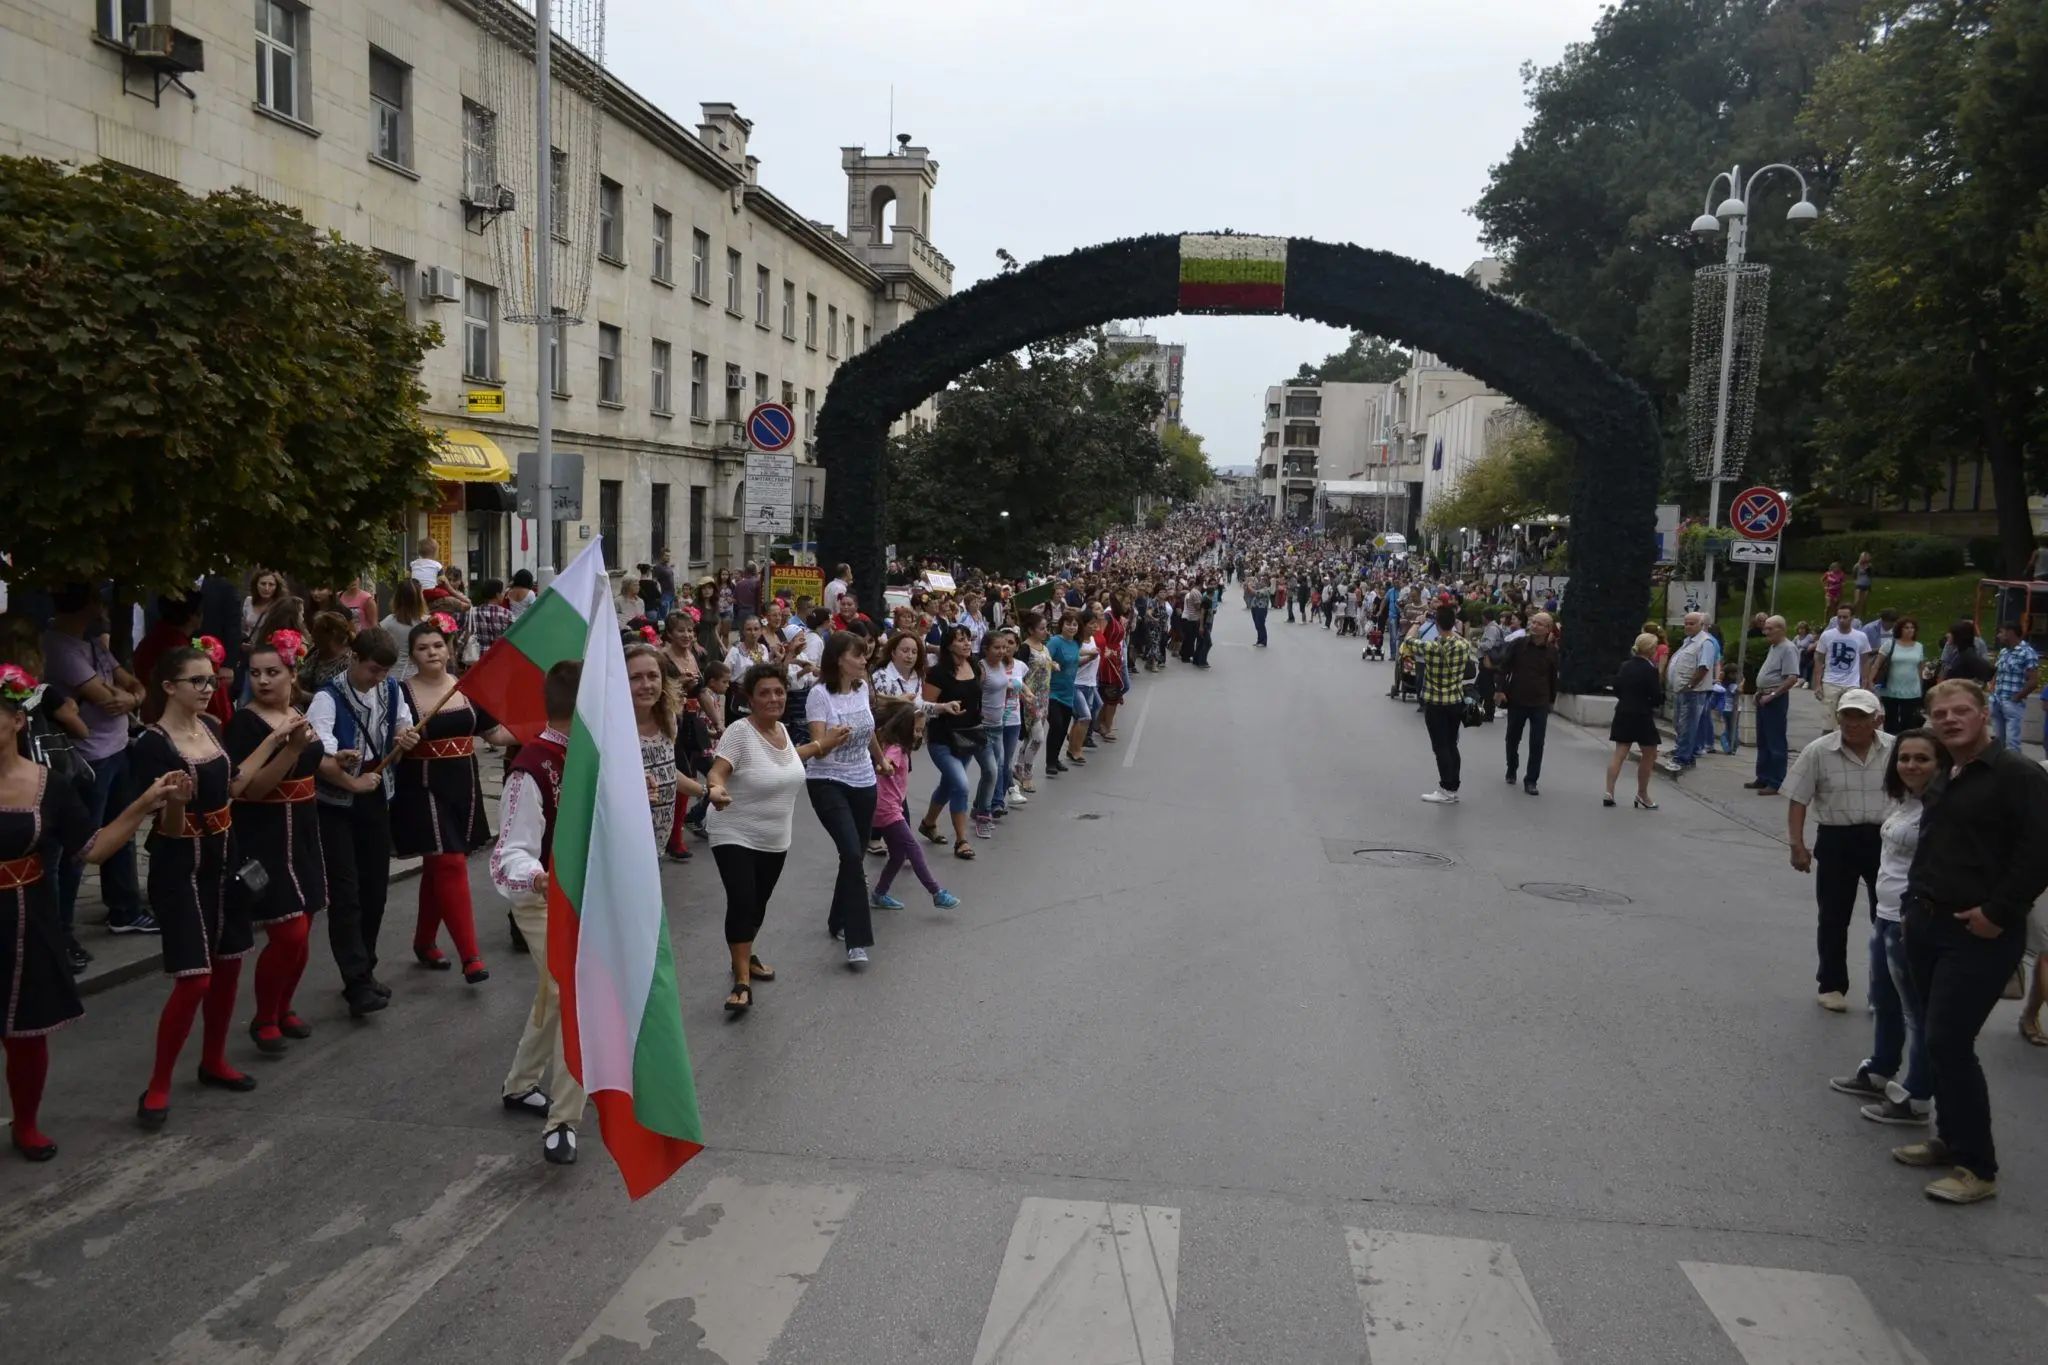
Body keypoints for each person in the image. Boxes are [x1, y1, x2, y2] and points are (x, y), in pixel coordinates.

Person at [0, 665, 176, 1160]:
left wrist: (142, 804)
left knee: (26, 1034)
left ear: (18, 720)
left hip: (26, 921)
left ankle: (26, 1124)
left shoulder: (49, 785)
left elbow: (93, 848)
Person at [1892, 679, 2048, 1203]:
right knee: (1937, 1038)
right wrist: (1912, 905)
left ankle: (1978, 1168)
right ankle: (1951, 1138)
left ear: (1984, 714)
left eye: (1961, 711)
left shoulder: (2018, 775)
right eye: (1941, 714)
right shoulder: (1947, 772)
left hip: (1978, 933)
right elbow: (1933, 844)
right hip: (1927, 924)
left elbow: (2039, 853)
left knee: (1949, 1042)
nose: (1950, 720)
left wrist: (1999, 913)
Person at [130, 646, 272, 1129]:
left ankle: (213, 1061)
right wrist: (177, 803)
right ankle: (158, 1083)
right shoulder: (152, 744)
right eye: (197, 681)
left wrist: (282, 742)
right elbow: (165, 828)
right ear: (168, 686)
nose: (209, 688)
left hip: (225, 858)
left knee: (229, 966)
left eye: (211, 680)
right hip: (180, 867)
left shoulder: (211, 727)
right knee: (195, 979)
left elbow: (234, 786)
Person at [707, 664, 852, 1011]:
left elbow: (785, 759)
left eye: (779, 692)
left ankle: (745, 953)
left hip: (774, 837)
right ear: (750, 698)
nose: (773, 698)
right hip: (733, 830)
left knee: (758, 903)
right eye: (764, 693)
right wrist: (715, 788)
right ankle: (742, 979)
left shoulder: (782, 731)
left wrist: (822, 744)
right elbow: (717, 770)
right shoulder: (740, 733)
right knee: (743, 900)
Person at [490, 661, 584, 1164]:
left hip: (586, 898)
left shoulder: (594, 756)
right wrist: (539, 877)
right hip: (544, 900)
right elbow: (509, 855)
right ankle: (564, 1119)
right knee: (576, 994)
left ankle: (521, 1083)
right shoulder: (532, 767)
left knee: (556, 991)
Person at [1828, 729, 1946, 1126]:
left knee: (1917, 1011)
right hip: (1886, 914)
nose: (1911, 765)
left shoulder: (1942, 808)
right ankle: (1880, 1070)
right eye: (1904, 758)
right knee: (1884, 998)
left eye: (1922, 758)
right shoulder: (1907, 800)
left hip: (1912, 921)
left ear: (1940, 764)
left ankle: (1916, 1097)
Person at [391, 619, 510, 985]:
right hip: (421, 787)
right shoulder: (400, 693)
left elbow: (496, 735)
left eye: (437, 645)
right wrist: (400, 740)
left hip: (464, 785)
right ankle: (470, 956)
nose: (432, 652)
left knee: (438, 866)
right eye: (423, 648)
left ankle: (425, 941)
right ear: (412, 655)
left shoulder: (467, 688)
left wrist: (544, 726)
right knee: (451, 863)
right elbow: (390, 743)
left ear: (449, 648)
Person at [308, 629, 420, 1018]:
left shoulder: (391, 690)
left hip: (376, 795)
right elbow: (318, 757)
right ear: (354, 658)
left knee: (375, 890)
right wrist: (350, 780)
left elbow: (402, 728)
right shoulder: (327, 698)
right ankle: (355, 981)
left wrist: (404, 740)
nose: (379, 678)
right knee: (347, 893)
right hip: (335, 804)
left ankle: (365, 967)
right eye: (373, 669)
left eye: (384, 671)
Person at [224, 640, 325, 1055]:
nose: (263, 681)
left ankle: (284, 1007)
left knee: (304, 928)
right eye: (255, 673)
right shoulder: (245, 724)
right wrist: (293, 749)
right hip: (266, 835)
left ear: (292, 674)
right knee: (288, 930)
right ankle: (264, 1016)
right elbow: (254, 789)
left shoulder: (297, 712)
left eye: (272, 672)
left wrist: (339, 763)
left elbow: (314, 763)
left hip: (304, 829)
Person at [41, 584, 148, 944]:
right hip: (89, 757)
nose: (104, 609)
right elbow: (104, 697)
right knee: (81, 846)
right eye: (99, 602)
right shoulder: (59, 647)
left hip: (116, 748)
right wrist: (129, 696)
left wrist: (132, 697)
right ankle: (63, 934)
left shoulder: (93, 643)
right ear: (87, 605)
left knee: (122, 833)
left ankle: (125, 911)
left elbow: (131, 685)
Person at [1783, 688, 1894, 1012]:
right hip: (1837, 839)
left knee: (1888, 919)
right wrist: (1797, 845)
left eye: (1861, 717)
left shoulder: (1896, 748)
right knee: (1833, 916)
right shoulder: (1819, 750)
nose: (1853, 723)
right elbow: (1798, 798)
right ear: (1838, 717)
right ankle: (1831, 984)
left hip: (1886, 840)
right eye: (1847, 715)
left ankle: (1885, 988)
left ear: (1877, 720)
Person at [805, 632, 890, 966]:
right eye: (858, 655)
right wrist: (832, 738)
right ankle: (857, 940)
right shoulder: (819, 695)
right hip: (828, 781)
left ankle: (837, 918)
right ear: (839, 659)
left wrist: (881, 760)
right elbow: (818, 747)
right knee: (853, 853)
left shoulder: (862, 688)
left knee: (852, 856)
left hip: (864, 780)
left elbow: (868, 732)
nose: (864, 660)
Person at [921, 625, 994, 855]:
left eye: (968, 639)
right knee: (961, 785)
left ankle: (928, 823)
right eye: (960, 640)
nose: (966, 643)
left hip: (968, 737)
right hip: (942, 739)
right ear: (948, 645)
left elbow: (976, 697)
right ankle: (961, 841)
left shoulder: (974, 666)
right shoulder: (938, 673)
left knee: (949, 784)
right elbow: (925, 707)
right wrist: (943, 709)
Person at [1413, 602, 1476, 805]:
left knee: (1440, 747)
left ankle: (1446, 788)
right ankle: (1453, 786)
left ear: (1437, 624)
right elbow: (1457, 638)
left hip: (1436, 702)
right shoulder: (1463, 645)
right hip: (1455, 701)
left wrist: (1418, 622)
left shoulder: (1432, 647)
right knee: (1451, 744)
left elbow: (1408, 641)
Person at [1495, 610, 1558, 796]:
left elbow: (1553, 678)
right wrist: (1499, 690)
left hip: (1540, 701)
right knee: (1512, 737)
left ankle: (1531, 780)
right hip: (1517, 698)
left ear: (1548, 629)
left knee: (1537, 743)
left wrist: (1551, 701)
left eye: (1539, 624)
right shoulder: (1518, 644)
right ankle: (1512, 767)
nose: (1534, 626)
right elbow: (1503, 668)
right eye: (1533, 622)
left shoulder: (1552, 651)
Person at [1605, 633, 1665, 809]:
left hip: (1623, 711)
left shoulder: (1625, 666)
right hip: (1642, 714)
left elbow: (1617, 688)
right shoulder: (1651, 670)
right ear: (1651, 649)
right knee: (1649, 753)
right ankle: (1642, 794)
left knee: (1620, 752)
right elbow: (1655, 695)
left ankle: (1609, 792)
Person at [1659, 612, 1719, 773]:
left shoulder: (1705, 642)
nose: (1687, 627)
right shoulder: (1689, 641)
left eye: (1692, 623)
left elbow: (1704, 667)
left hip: (1693, 692)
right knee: (1680, 723)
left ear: (1701, 625)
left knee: (1687, 725)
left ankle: (1683, 758)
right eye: (1686, 623)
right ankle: (1686, 754)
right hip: (1682, 690)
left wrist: (1691, 685)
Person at [1749, 616, 1802, 795]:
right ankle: (1763, 776)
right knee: (1763, 739)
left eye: (1770, 629)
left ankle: (1775, 780)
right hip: (1764, 695)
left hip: (1775, 699)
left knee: (1775, 740)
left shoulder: (1788, 648)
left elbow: (1792, 678)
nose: (1766, 632)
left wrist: (1772, 695)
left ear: (1781, 629)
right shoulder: (1774, 647)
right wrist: (1759, 691)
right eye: (1765, 628)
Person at [1813, 606, 1873, 734]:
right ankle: (1827, 742)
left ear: (1852, 618)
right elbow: (1819, 658)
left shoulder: (1861, 636)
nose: (1841, 620)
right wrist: (1817, 683)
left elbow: (1865, 660)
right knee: (1828, 721)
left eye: (1845, 617)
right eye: (1839, 617)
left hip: (1852, 683)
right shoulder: (1827, 635)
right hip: (1830, 682)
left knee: (1850, 718)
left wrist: (1865, 680)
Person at [1872, 617, 1928, 735]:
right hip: (1891, 689)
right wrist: (1870, 681)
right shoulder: (1889, 644)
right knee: (1891, 719)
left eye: (1912, 628)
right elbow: (1877, 665)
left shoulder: (1919, 646)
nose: (1910, 630)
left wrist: (1921, 687)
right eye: (1906, 628)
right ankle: (1890, 740)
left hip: (1912, 689)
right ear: (1900, 629)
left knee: (1909, 720)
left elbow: (1920, 667)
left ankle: (1905, 740)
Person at [1986, 622, 2037, 751]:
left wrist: (2017, 697)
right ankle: (1999, 762)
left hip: (2012, 703)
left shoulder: (2027, 652)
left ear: (2011, 632)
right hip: (1996, 700)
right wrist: (1992, 687)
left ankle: (2013, 763)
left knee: (2012, 742)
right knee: (1998, 741)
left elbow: (2033, 681)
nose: (1998, 636)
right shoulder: (2004, 651)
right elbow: (1998, 672)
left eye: (2001, 632)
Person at [380, 579, 427, 685]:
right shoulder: (426, 623)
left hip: (391, 675)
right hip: (417, 676)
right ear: (419, 599)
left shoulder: (388, 621)